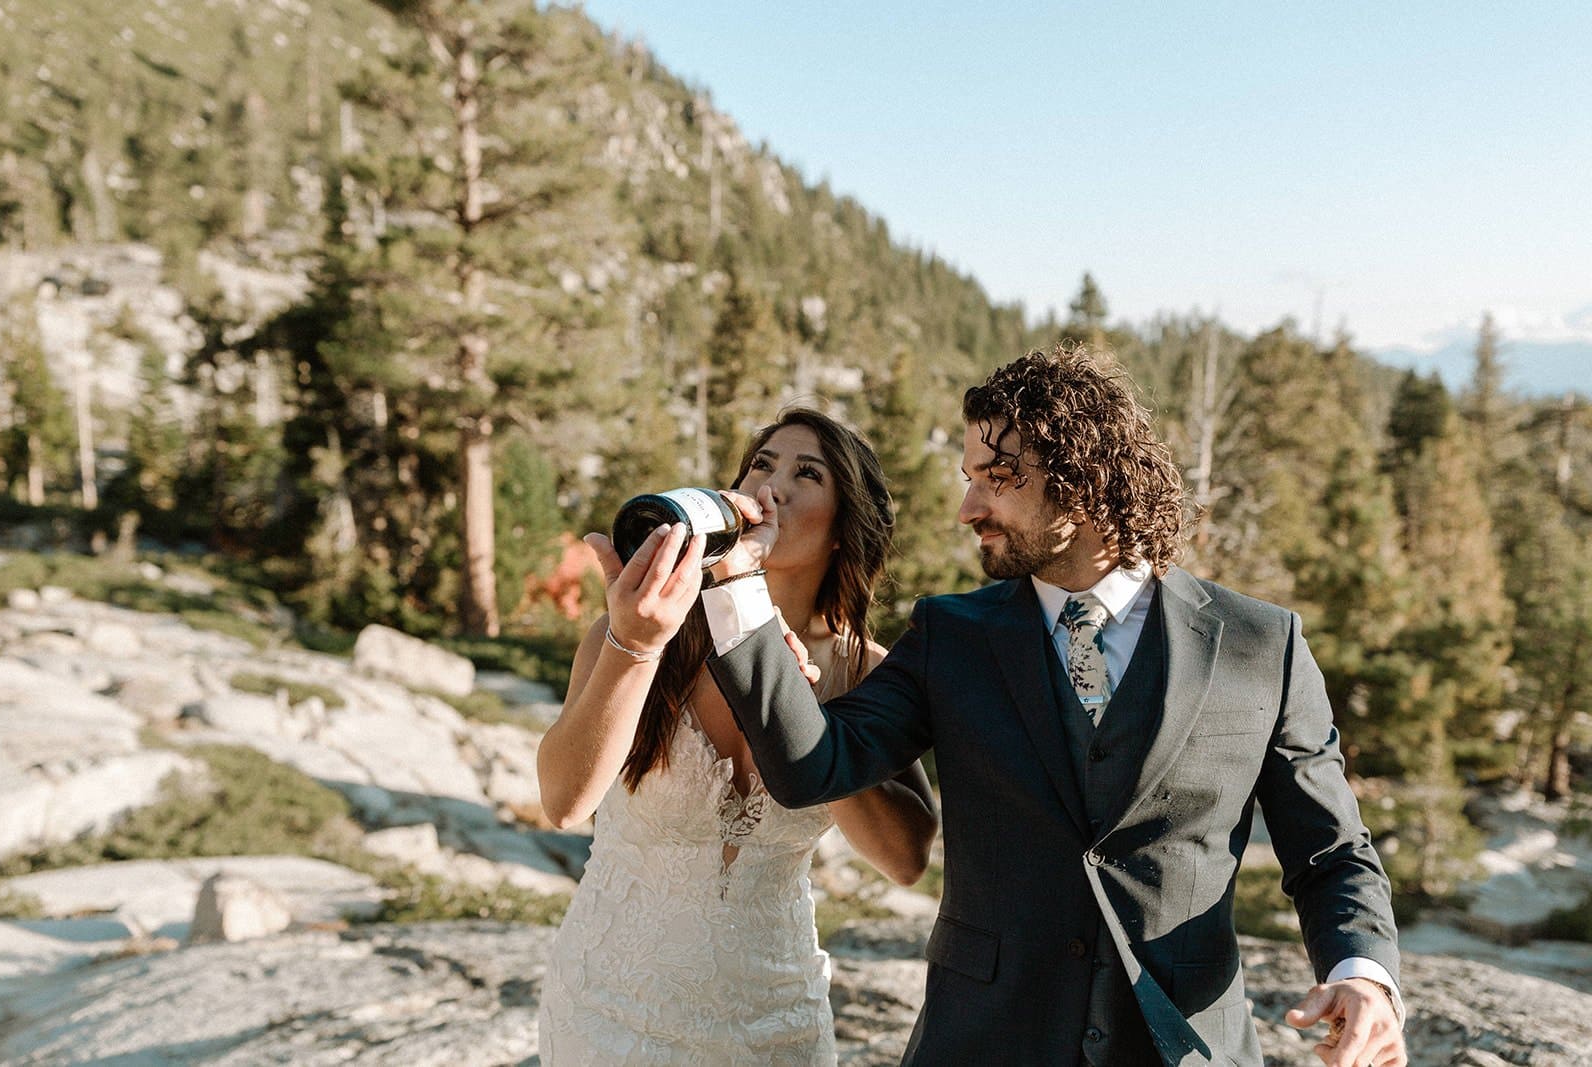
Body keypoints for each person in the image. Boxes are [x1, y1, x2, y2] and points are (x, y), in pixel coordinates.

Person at [682, 345, 1406, 1066]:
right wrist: (735, 590)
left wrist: (1364, 975)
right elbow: (816, 766)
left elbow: (1331, 851)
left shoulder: (1260, 642)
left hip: (1180, 1048)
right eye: (971, 479)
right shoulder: (950, 635)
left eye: (999, 479)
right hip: (979, 1043)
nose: (970, 509)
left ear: (1085, 477)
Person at [535, 407, 939, 1066]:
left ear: (842, 528)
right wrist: (631, 645)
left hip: (777, 1019)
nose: (771, 486)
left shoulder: (864, 669)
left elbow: (906, 857)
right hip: (611, 1010)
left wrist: (807, 715)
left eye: (806, 473)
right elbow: (563, 799)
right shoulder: (655, 627)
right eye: (762, 464)